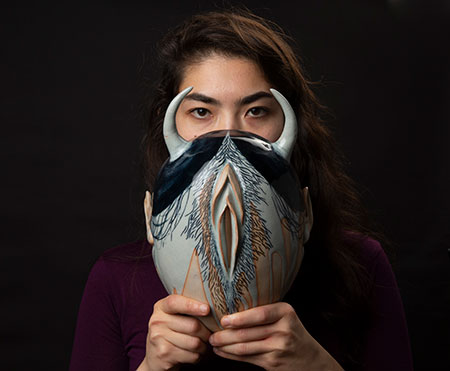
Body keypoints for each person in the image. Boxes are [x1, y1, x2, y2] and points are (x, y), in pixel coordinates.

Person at [69, 7, 414, 371]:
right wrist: (150, 367)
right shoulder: (116, 278)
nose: (228, 138)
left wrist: (316, 365)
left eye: (257, 111)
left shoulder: (362, 265)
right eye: (202, 112)